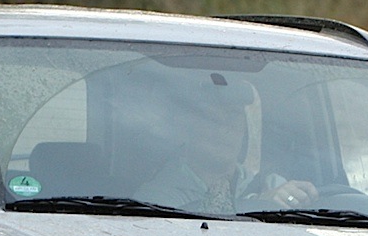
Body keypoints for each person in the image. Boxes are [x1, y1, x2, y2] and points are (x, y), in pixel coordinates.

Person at [134, 75, 316, 216]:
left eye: (233, 117)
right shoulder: (155, 200)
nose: (225, 130)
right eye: (212, 119)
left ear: (244, 129)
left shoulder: (270, 184)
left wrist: (306, 198)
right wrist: (260, 204)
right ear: (189, 128)